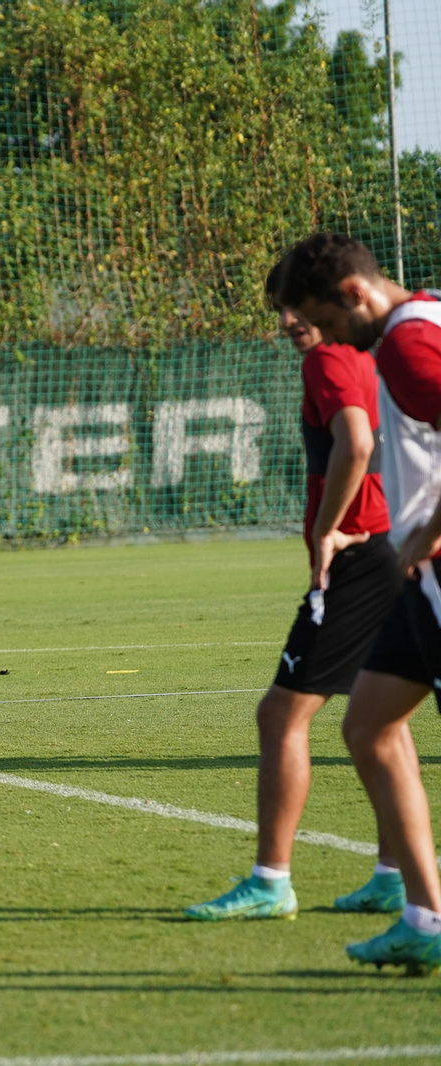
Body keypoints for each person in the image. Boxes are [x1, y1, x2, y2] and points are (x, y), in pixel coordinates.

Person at [185, 258, 403, 921]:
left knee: (280, 716)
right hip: (392, 550)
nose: (287, 321)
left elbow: (356, 444)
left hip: (361, 557)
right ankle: (395, 874)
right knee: (384, 720)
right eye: (279, 310)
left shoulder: (330, 360)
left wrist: (329, 529)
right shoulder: (370, 353)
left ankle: (270, 880)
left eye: (297, 307)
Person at [280, 231, 441, 973]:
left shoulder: (407, 348)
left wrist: (431, 530)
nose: (331, 339)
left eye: (327, 320)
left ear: (352, 295)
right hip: (417, 579)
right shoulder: (431, 313)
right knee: (370, 726)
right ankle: (424, 917)